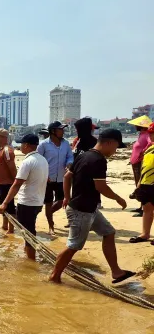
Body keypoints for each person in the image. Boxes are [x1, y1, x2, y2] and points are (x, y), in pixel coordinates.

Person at [49, 129, 135, 284]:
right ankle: (54, 276)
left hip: (89, 208)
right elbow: (101, 186)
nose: (115, 151)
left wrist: (67, 197)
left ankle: (116, 272)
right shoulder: (98, 160)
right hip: (81, 210)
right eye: (116, 147)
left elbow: (67, 176)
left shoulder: (83, 155)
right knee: (74, 246)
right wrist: (118, 199)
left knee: (109, 232)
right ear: (109, 142)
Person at [0, 134, 49, 260]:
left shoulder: (27, 162)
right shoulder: (43, 160)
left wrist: (4, 203)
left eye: (21, 144)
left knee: (28, 233)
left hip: (27, 203)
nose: (20, 146)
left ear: (26, 145)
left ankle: (31, 261)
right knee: (29, 230)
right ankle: (28, 257)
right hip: (37, 202)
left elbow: (16, 184)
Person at [37, 121, 74, 235]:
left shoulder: (66, 144)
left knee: (62, 200)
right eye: (60, 129)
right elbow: (38, 160)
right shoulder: (43, 145)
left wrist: (69, 163)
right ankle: (50, 225)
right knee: (48, 202)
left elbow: (70, 156)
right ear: (53, 131)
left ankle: (49, 213)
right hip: (47, 179)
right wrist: (43, 174)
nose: (63, 131)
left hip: (62, 178)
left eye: (62, 129)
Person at [130, 122, 154, 244]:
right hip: (146, 182)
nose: (151, 136)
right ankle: (145, 234)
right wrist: (139, 185)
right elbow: (144, 167)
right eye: (150, 133)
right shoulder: (149, 148)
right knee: (146, 208)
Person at [0, 128, 17, 234]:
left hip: (7, 184)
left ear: (3, 138)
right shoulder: (2, 149)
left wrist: (16, 182)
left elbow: (12, 167)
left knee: (9, 206)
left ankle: (11, 229)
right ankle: (4, 225)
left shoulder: (7, 150)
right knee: (3, 205)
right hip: (1, 184)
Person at [127, 115, 153, 217]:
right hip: (136, 163)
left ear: (141, 126)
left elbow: (151, 143)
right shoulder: (142, 134)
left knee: (141, 185)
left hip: (140, 163)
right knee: (138, 183)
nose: (135, 126)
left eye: (136, 125)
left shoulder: (146, 134)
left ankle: (144, 208)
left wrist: (143, 152)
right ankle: (141, 206)